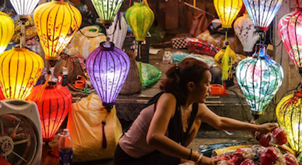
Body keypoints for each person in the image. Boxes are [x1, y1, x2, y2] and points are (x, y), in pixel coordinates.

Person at [114, 58, 278, 165]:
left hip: (153, 154)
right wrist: (197, 157)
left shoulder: (194, 105)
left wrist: (257, 128)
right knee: (193, 162)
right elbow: (154, 138)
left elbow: (220, 122)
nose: (209, 89)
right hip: (130, 159)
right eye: (206, 84)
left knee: (197, 122)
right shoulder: (169, 99)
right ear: (191, 86)